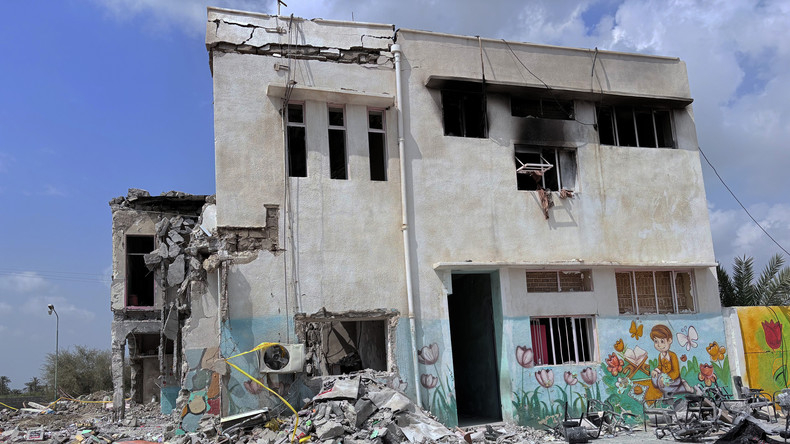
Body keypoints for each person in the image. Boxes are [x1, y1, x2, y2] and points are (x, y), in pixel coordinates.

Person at [650, 324, 692, 395]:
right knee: (654, 378)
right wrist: (656, 371)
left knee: (665, 388)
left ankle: (684, 387)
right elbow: (660, 366)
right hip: (663, 376)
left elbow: (676, 372)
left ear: (669, 340)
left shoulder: (672, 355)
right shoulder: (660, 355)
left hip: (673, 379)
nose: (659, 345)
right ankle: (662, 385)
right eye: (656, 341)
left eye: (662, 341)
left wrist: (666, 378)